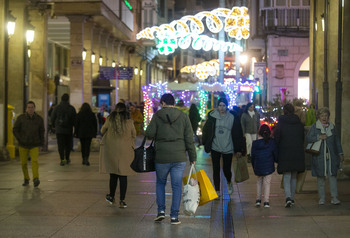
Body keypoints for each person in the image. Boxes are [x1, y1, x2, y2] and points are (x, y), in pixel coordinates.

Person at [145, 93, 196, 225]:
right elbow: (189, 138)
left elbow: (149, 134)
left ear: (162, 103)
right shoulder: (183, 116)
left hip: (162, 156)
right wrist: (192, 157)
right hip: (179, 157)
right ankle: (174, 217)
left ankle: (161, 211)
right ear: (173, 102)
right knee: (177, 186)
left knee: (161, 183)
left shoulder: (157, 116)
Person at [202, 98, 244, 197]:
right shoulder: (212, 116)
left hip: (228, 147)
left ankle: (229, 182)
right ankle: (217, 189)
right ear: (217, 106)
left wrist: (238, 149)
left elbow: (238, 133)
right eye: (220, 105)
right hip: (215, 146)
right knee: (216, 169)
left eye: (224, 105)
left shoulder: (232, 117)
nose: (221, 108)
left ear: (227, 106)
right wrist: (205, 143)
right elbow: (206, 131)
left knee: (226, 169)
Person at [100, 103, 136, 208]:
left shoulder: (110, 120)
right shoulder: (129, 121)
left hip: (112, 150)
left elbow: (102, 130)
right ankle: (122, 200)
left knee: (113, 174)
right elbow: (134, 134)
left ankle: (111, 196)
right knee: (123, 175)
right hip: (125, 151)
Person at [306, 107, 344, 205]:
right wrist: (318, 137)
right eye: (322, 115)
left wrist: (340, 153)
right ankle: (322, 198)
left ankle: (334, 197)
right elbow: (308, 138)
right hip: (319, 157)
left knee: (333, 176)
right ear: (319, 117)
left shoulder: (332, 127)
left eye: (326, 115)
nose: (324, 117)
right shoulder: (315, 127)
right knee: (321, 177)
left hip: (331, 157)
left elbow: (337, 141)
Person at [274, 103, 305, 208]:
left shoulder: (280, 124)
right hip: (297, 152)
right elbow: (302, 138)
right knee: (294, 175)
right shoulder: (299, 124)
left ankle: (287, 197)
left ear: (284, 111)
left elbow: (276, 139)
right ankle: (292, 197)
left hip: (285, 151)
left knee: (286, 175)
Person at [13, 101, 44, 187]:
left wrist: (41, 144)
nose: (30, 109)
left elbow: (42, 132)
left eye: (32, 107)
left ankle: (36, 178)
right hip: (23, 144)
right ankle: (26, 178)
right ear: (26, 109)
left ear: (34, 108)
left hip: (34, 144)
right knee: (23, 163)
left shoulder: (39, 119)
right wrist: (20, 139)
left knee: (34, 161)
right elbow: (15, 130)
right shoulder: (21, 118)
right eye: (29, 107)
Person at [251, 124, 278, 208]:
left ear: (259, 133)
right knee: (267, 183)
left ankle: (258, 200)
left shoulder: (255, 143)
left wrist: (254, 166)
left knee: (259, 182)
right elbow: (275, 154)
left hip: (258, 166)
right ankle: (266, 201)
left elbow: (253, 156)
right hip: (269, 165)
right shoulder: (271, 142)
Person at [51, 93, 77, 166]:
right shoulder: (71, 108)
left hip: (59, 130)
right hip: (68, 130)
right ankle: (67, 158)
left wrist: (53, 126)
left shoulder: (57, 108)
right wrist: (75, 129)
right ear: (68, 99)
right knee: (68, 145)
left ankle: (62, 159)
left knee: (60, 145)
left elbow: (52, 118)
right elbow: (75, 119)